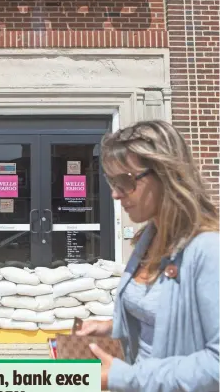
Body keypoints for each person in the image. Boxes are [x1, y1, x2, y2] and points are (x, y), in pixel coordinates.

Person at [77, 120, 219, 392]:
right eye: (111, 181)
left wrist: (124, 378)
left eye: (125, 181)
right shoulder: (147, 238)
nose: (115, 193)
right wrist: (110, 327)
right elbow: (163, 318)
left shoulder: (208, 250)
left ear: (166, 174)